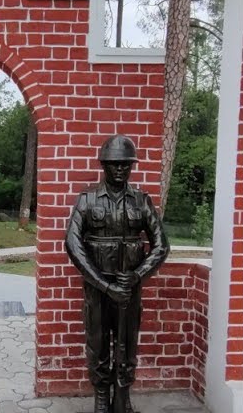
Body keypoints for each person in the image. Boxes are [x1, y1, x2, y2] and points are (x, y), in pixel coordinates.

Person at [65, 134, 169, 413]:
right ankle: (101, 397)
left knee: (126, 346)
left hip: (129, 287)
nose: (121, 169)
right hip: (98, 288)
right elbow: (73, 244)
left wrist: (138, 275)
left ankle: (122, 397)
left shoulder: (141, 201)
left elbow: (161, 245)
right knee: (98, 343)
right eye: (115, 164)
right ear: (104, 165)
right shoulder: (87, 200)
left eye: (126, 164)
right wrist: (101, 283)